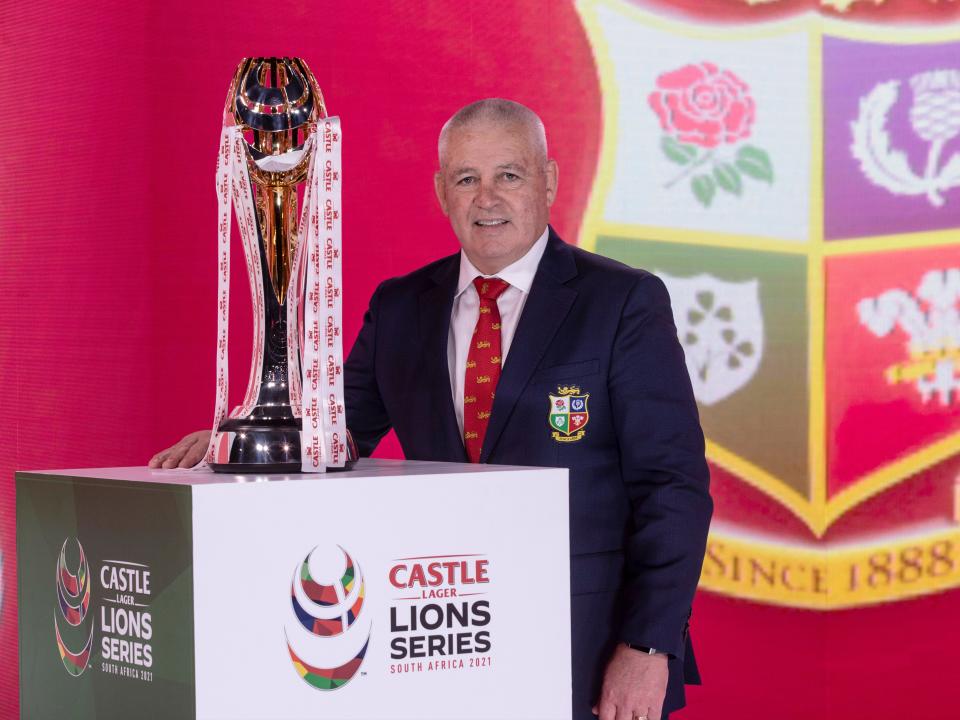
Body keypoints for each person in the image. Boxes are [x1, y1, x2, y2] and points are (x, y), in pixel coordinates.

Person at [150, 98, 712, 720]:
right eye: (467, 179)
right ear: (442, 190)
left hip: (587, 646)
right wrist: (250, 432)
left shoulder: (623, 302)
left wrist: (649, 645)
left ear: (548, 180)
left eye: (510, 175)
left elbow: (672, 487)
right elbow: (333, 434)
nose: (487, 198)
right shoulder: (401, 308)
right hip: (440, 646)